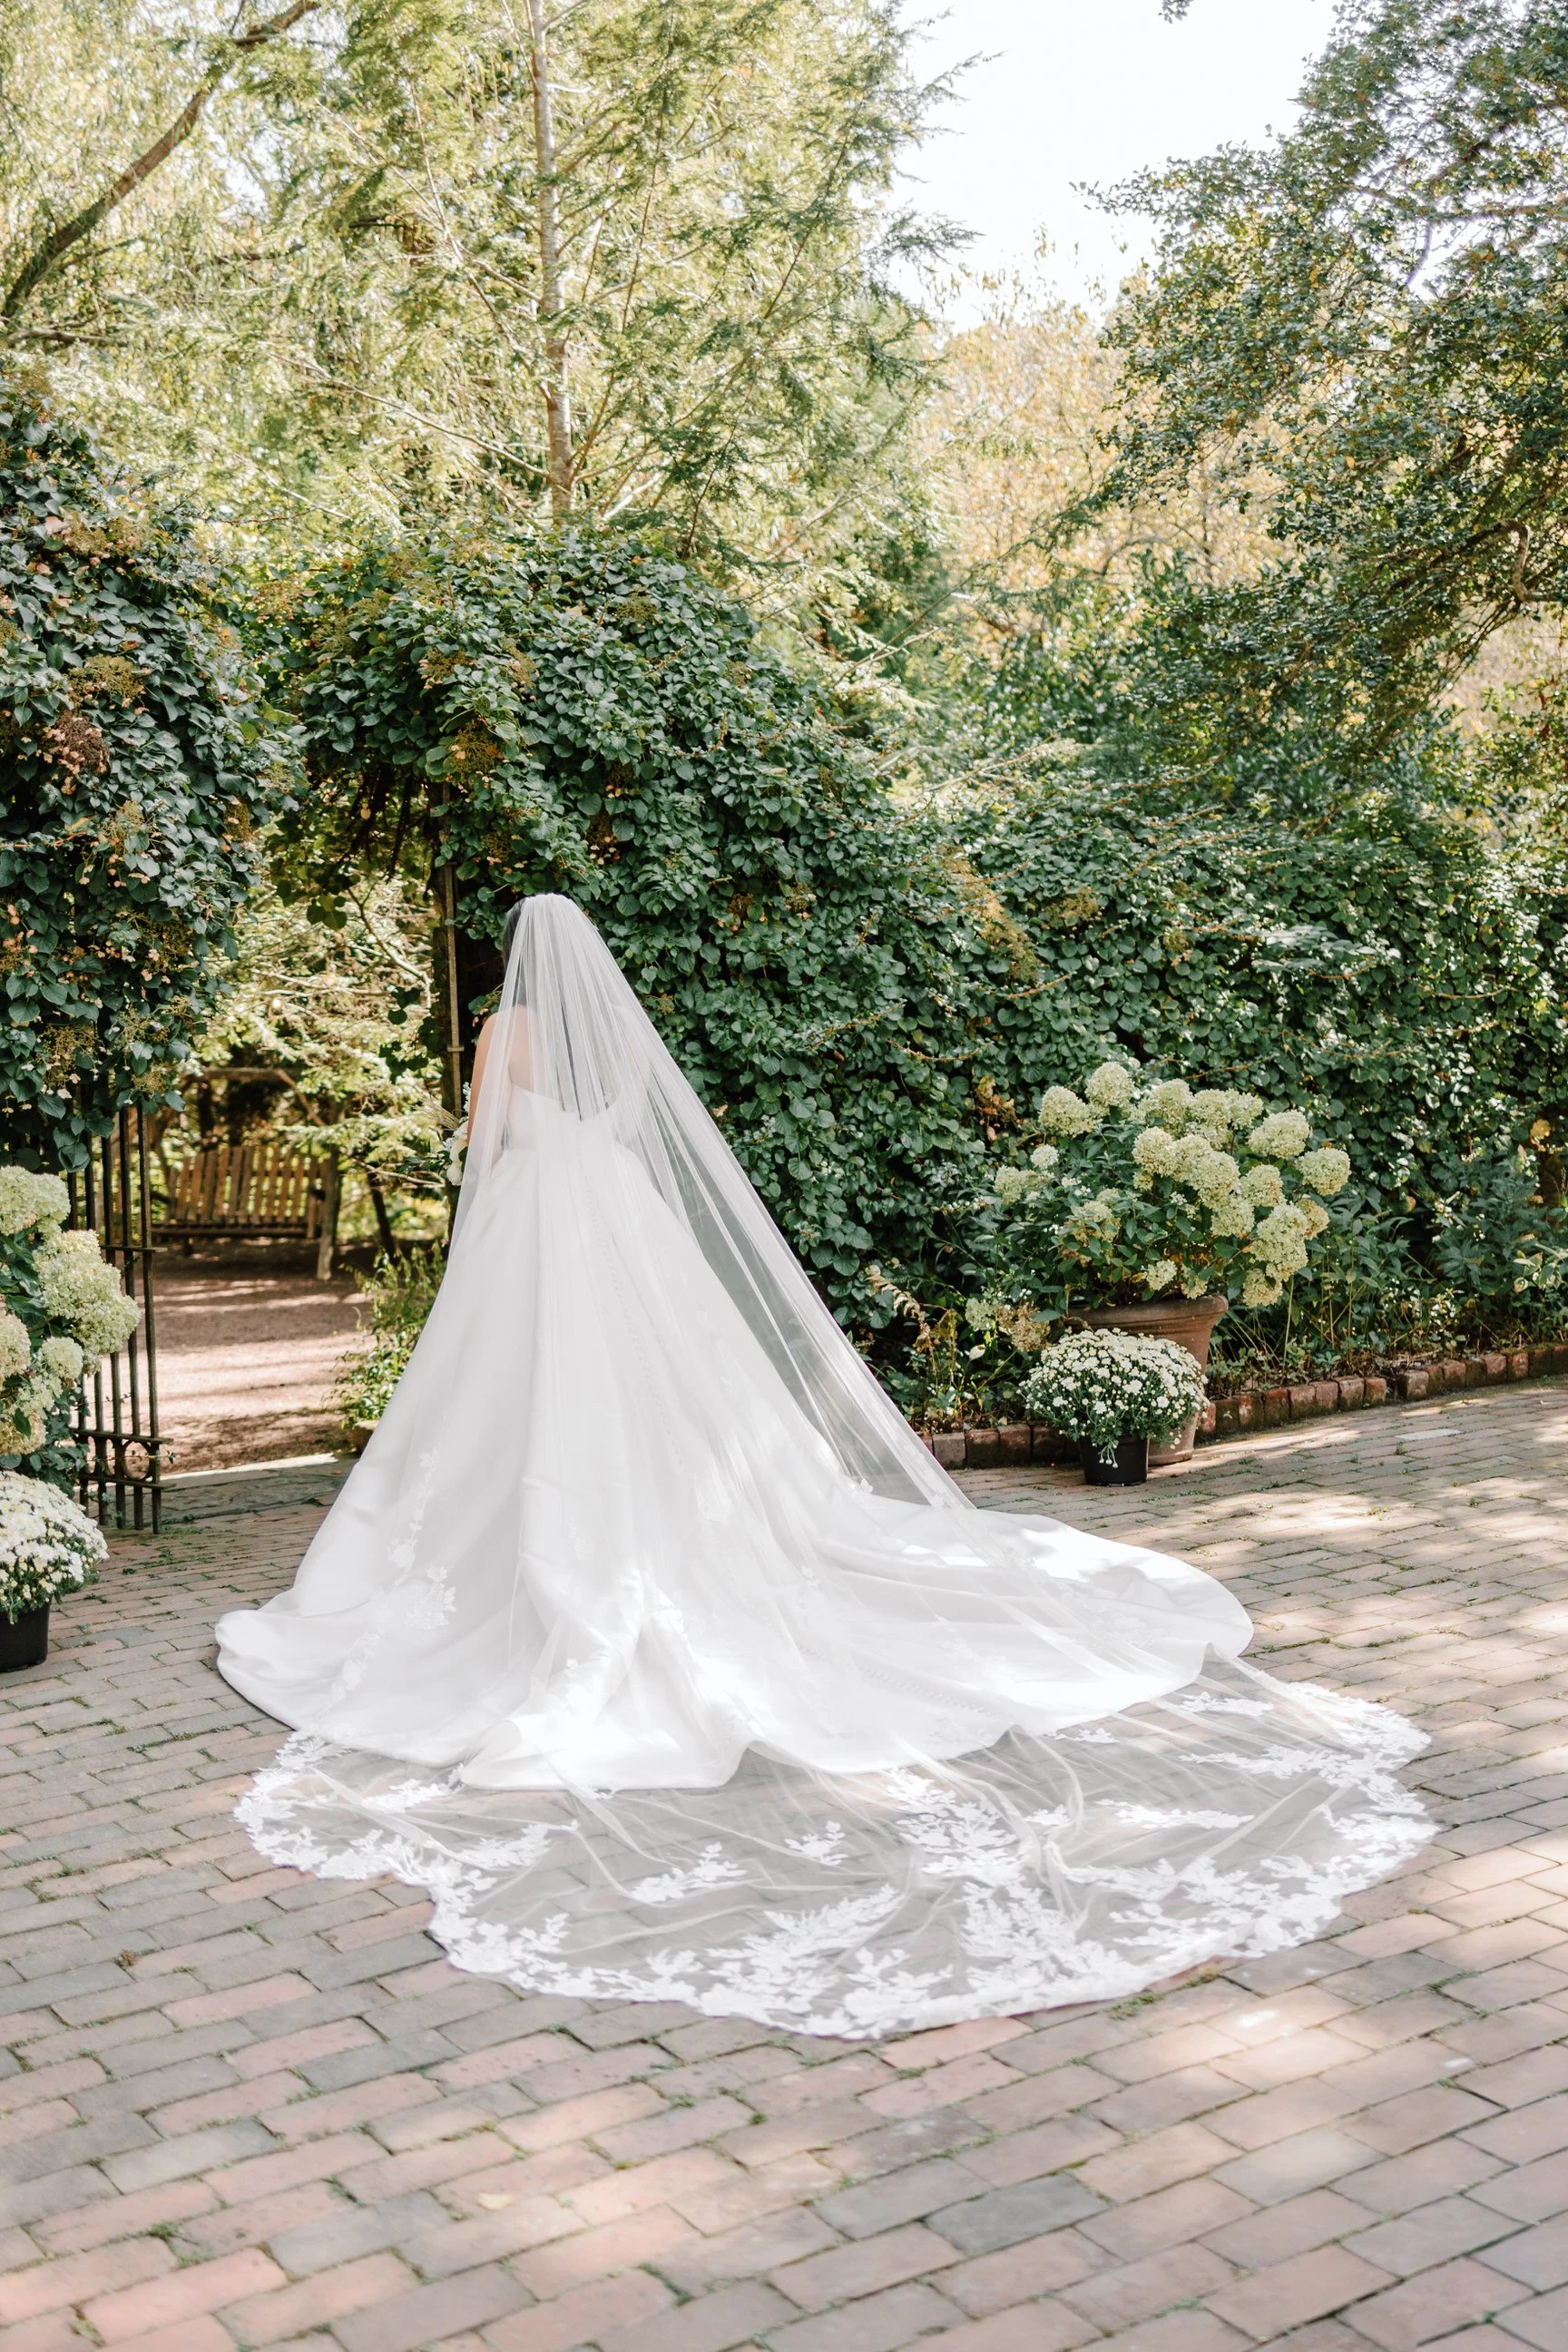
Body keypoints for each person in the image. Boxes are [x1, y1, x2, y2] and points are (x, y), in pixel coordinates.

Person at [216, 895, 1430, 2038]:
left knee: (529, 1403)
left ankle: (531, 1551)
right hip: (616, 1223)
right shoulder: (610, 1039)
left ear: (511, 963)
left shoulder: (501, 1030)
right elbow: (633, 1111)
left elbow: (481, 1141)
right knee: (644, 1401)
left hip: (538, 1226)